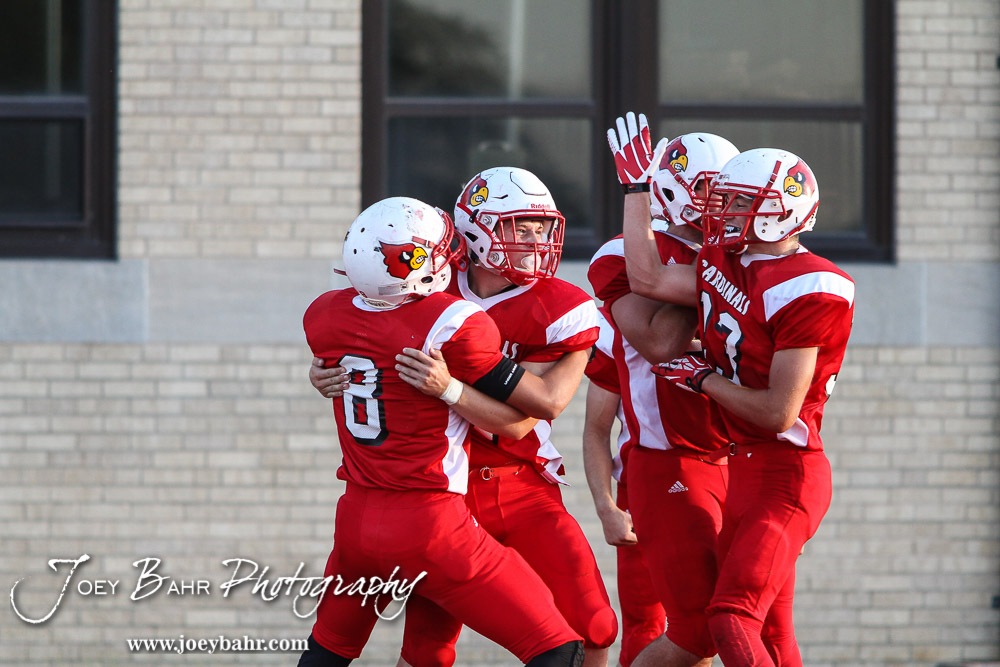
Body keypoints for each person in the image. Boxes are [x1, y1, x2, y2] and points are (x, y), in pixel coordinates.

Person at [311, 169, 616, 667]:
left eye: (542, 227)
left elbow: (526, 418)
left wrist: (447, 388)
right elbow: (362, 340)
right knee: (428, 649)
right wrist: (322, 372)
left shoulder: (562, 306)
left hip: (521, 485)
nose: (537, 240)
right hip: (446, 488)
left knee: (595, 625)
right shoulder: (426, 282)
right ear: (476, 229)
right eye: (522, 227)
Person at [618, 130, 856, 666]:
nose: (723, 211)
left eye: (739, 200)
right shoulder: (726, 260)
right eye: (724, 198)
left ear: (781, 208)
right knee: (769, 632)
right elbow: (648, 275)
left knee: (730, 617)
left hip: (786, 471)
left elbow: (778, 411)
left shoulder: (811, 284)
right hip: (742, 467)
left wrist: (704, 380)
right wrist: (636, 189)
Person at [595, 122, 739, 667]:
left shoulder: (742, 254)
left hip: (742, 453)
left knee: (758, 620)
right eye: (710, 190)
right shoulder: (623, 254)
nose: (722, 205)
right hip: (671, 457)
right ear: (672, 188)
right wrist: (718, 270)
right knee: (693, 631)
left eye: (732, 194)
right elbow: (661, 341)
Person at [581, 307, 665, 667]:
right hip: (643, 487)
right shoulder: (615, 324)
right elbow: (597, 429)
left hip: (724, 477)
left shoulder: (734, 303)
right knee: (642, 622)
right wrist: (606, 507)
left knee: (745, 622)